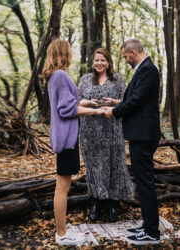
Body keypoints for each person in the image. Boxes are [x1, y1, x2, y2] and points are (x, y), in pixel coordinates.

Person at [43, 39, 105, 246]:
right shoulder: (60, 75)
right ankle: (62, 234)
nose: (71, 54)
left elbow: (67, 104)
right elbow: (66, 110)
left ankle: (62, 231)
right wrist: (96, 111)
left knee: (63, 185)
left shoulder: (55, 75)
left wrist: (83, 102)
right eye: (68, 51)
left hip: (65, 136)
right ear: (63, 53)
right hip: (65, 139)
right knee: (62, 187)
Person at [103, 39, 161, 245]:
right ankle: (147, 225)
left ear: (134, 52)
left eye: (126, 56)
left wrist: (114, 111)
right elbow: (137, 98)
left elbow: (137, 102)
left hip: (144, 135)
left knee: (145, 182)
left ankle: (152, 232)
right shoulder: (144, 69)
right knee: (142, 180)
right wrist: (118, 103)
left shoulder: (149, 70)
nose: (125, 60)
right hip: (140, 134)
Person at [78, 48, 134, 222]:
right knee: (94, 167)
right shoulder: (85, 80)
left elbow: (129, 102)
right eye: (96, 60)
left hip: (113, 130)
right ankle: (94, 202)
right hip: (89, 130)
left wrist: (114, 102)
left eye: (103, 60)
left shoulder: (118, 80)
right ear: (92, 62)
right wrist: (87, 102)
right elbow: (75, 102)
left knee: (114, 166)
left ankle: (112, 203)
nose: (99, 63)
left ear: (108, 62)